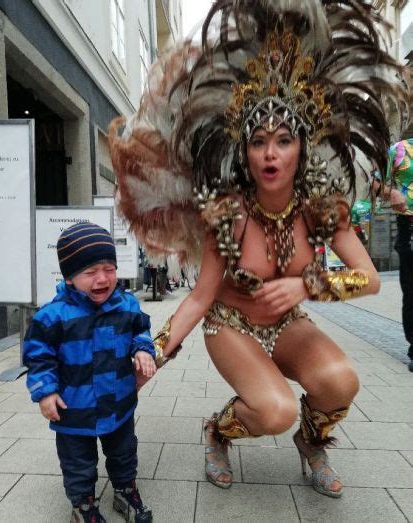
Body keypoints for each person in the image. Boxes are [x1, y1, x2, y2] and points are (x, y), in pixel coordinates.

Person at [108, 0, 409, 498]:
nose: (271, 153)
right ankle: (217, 431)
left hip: (291, 325)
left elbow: (371, 279)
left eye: (284, 139)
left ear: (303, 146)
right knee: (274, 410)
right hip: (231, 325)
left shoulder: (321, 208)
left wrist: (305, 284)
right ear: (244, 150)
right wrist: (152, 355)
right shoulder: (226, 212)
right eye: (259, 140)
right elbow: (201, 298)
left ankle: (313, 443)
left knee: (340, 381)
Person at [23, 223, 155, 522]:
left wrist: (143, 349)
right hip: (74, 409)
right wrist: (45, 392)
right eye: (91, 271)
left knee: (124, 452)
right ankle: (83, 505)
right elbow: (38, 358)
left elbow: (141, 330)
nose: (103, 278)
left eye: (109, 268)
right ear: (69, 277)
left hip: (119, 401)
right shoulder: (52, 317)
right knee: (78, 462)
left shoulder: (127, 304)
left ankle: (125, 490)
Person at [373, 139, 413, 371]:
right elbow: (375, 183)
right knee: (412, 292)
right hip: (409, 227)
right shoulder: (399, 150)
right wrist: (393, 193)